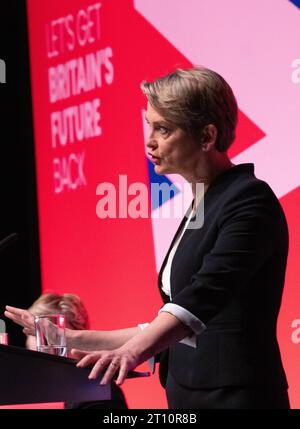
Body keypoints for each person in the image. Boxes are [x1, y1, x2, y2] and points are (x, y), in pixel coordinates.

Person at [5, 67, 290, 409]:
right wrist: (72, 338)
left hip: (237, 397)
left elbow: (199, 300)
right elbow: (168, 320)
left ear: (207, 136)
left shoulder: (249, 200)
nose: (149, 141)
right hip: (189, 396)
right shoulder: (202, 203)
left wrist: (130, 353)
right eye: (149, 126)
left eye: (163, 129)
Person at [25, 292, 128, 409]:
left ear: (80, 336)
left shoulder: (100, 392)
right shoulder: (20, 390)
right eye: (37, 333)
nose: (46, 344)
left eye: (56, 335)